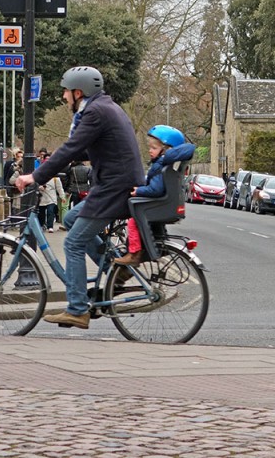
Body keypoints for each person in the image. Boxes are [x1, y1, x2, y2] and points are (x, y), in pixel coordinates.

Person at [16, 66, 145, 329]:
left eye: (66, 92)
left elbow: (72, 147)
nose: (64, 97)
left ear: (78, 92)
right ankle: (112, 268)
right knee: (73, 218)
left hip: (114, 188)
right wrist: (53, 162)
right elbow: (78, 150)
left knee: (73, 244)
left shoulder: (95, 112)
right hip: (114, 185)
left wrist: (36, 176)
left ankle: (76, 309)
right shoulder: (104, 107)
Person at [114, 125, 195, 266]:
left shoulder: (160, 165)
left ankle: (134, 254)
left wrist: (139, 191)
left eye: (154, 148)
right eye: (150, 147)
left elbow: (156, 189)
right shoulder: (165, 164)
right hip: (168, 204)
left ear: (166, 150)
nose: (150, 151)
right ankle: (156, 248)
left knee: (133, 222)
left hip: (161, 203)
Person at [38, 168, 65, 233]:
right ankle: (42, 225)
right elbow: (35, 185)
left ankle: (50, 226)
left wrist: (62, 197)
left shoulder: (55, 178)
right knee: (41, 213)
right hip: (42, 197)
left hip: (51, 197)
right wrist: (40, 187)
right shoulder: (40, 177)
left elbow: (59, 188)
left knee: (51, 211)